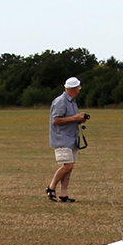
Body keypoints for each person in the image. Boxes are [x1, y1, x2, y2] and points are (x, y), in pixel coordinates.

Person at [46, 75, 88, 203]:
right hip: (62, 138)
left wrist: (79, 119)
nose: (79, 89)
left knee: (69, 166)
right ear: (73, 88)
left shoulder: (72, 101)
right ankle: (51, 188)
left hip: (72, 138)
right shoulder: (60, 101)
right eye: (78, 87)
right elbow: (56, 120)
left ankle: (63, 194)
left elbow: (70, 118)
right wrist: (75, 118)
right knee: (67, 166)